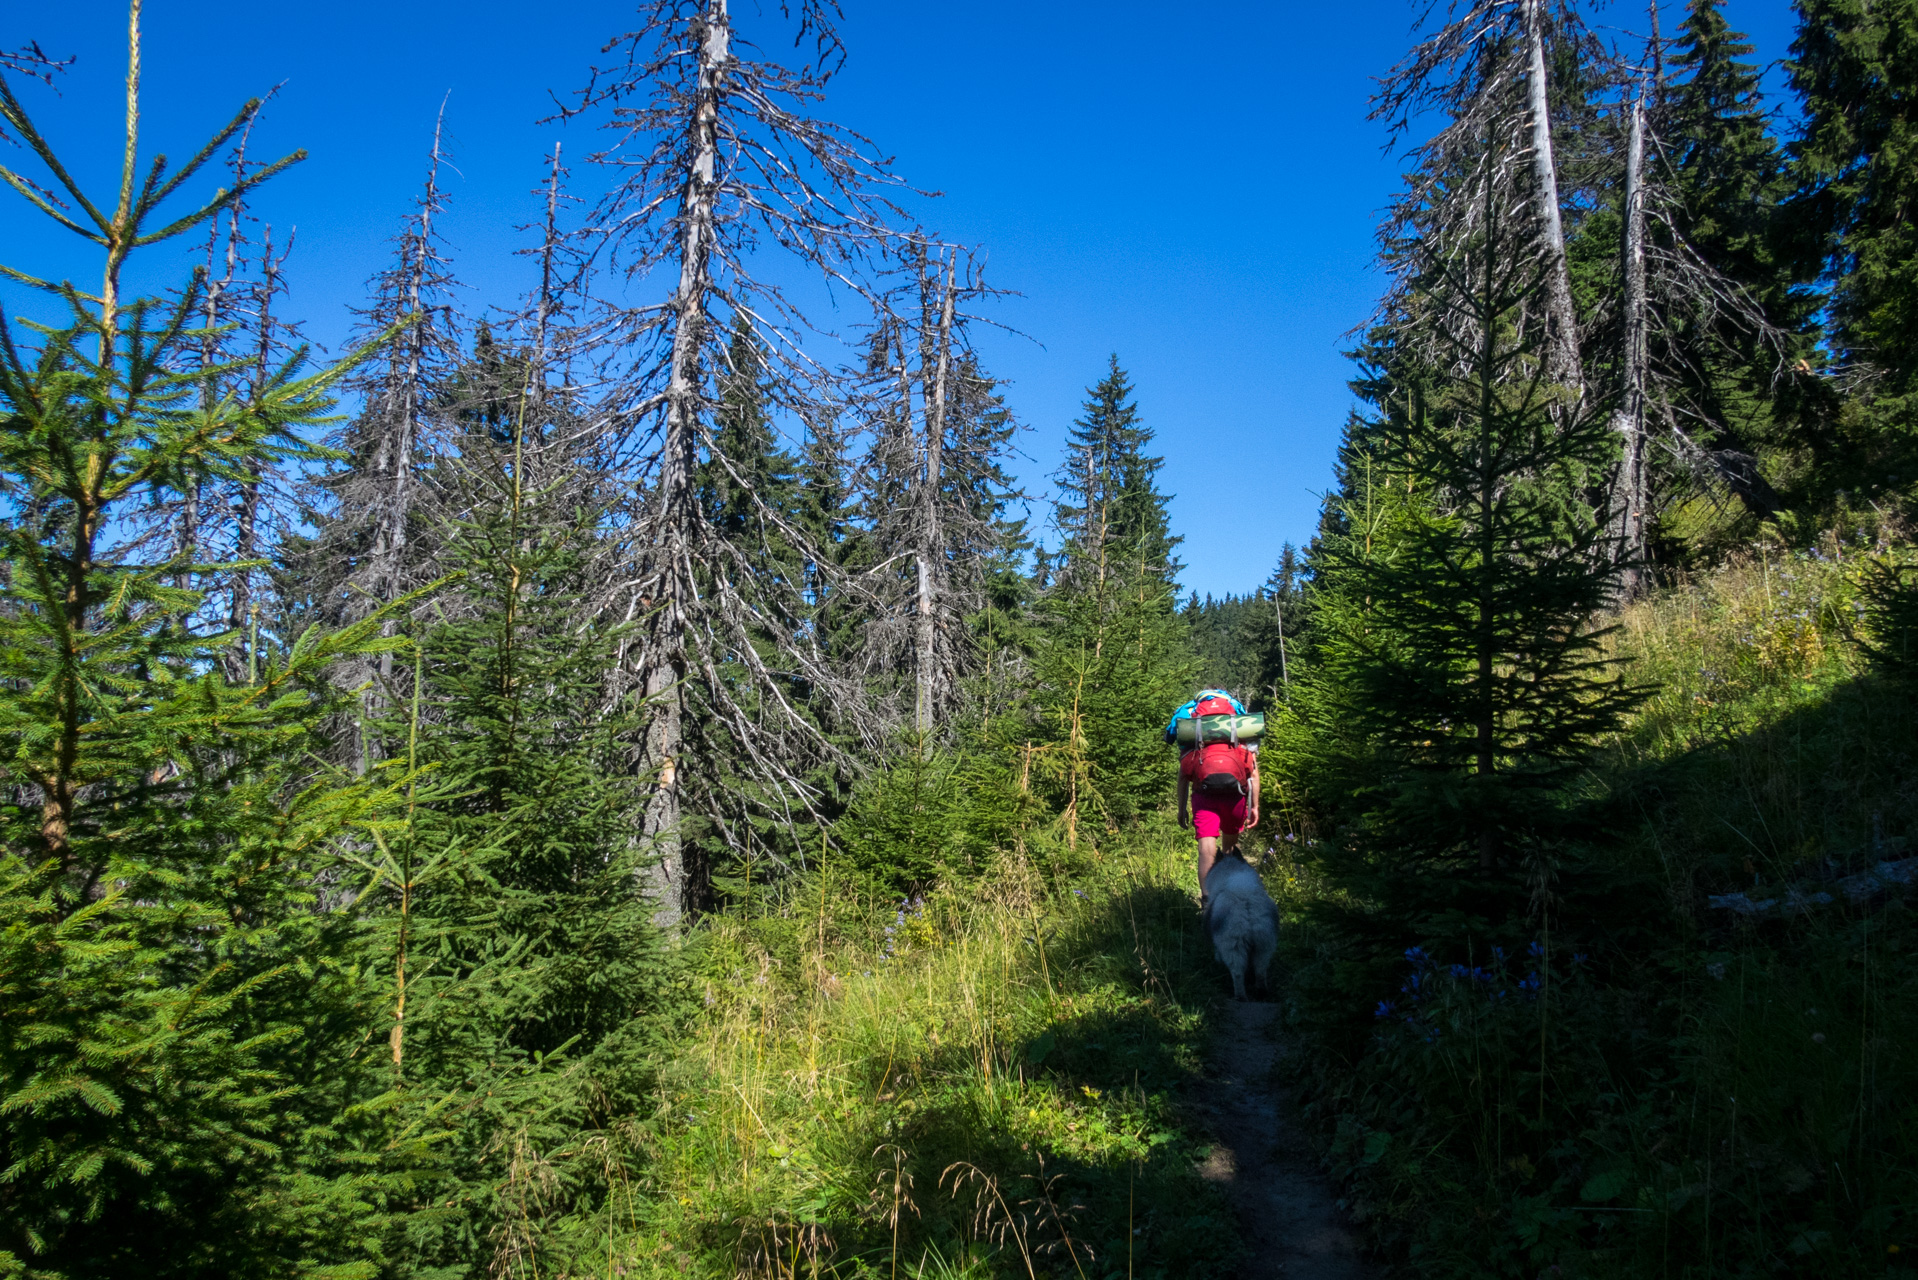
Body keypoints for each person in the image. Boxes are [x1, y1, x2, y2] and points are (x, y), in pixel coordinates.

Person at [1176, 714, 1259, 901]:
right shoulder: (1237, 728)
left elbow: (1183, 776)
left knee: (1206, 849)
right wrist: (1254, 806)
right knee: (1229, 847)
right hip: (1235, 795)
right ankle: (1231, 895)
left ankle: (1208, 902)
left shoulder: (1195, 732)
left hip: (1204, 796)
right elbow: (1253, 773)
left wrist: (1181, 809)